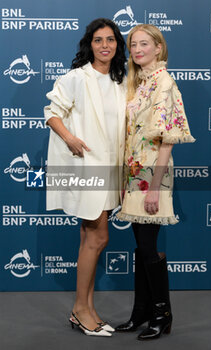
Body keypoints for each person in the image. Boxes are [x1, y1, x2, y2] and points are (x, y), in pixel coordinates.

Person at [44, 18, 126, 337]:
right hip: (87, 167)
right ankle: (80, 310)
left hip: (110, 168)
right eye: (97, 40)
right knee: (98, 237)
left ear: (117, 45)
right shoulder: (77, 77)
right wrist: (70, 138)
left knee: (88, 237)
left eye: (110, 40)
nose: (104, 45)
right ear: (89, 45)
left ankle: (88, 310)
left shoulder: (121, 81)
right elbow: (52, 112)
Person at [115, 24, 195, 340]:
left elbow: (166, 142)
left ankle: (162, 314)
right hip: (135, 172)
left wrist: (155, 187)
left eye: (144, 44)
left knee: (148, 247)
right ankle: (141, 313)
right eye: (133, 44)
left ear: (158, 48)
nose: (137, 50)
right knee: (141, 245)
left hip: (153, 174)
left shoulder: (164, 84)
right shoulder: (138, 84)